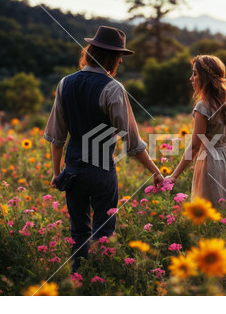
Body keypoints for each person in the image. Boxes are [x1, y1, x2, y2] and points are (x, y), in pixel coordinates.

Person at [43, 26, 163, 273]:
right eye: (119, 55)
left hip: (73, 171)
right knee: (104, 233)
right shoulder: (113, 88)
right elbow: (133, 142)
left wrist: (57, 172)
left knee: (78, 232)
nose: (121, 60)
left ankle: (79, 279)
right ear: (110, 57)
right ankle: (99, 281)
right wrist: (155, 171)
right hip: (101, 172)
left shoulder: (66, 83)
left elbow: (57, 137)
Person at [167, 55, 226, 206]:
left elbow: (195, 146)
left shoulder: (203, 107)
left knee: (209, 212)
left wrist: (174, 176)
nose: (191, 78)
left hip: (210, 163)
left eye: (195, 74)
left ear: (205, 77)